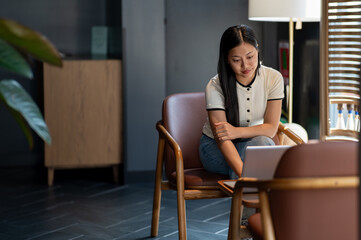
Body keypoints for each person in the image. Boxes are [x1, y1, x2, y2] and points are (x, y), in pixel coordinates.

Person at [199, 25, 284, 179]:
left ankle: (244, 200)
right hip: (215, 148)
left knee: (263, 143)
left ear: (257, 50)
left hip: (251, 142)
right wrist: (243, 174)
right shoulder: (215, 85)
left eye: (250, 57)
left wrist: (237, 132)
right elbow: (222, 138)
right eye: (236, 60)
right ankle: (253, 199)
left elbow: (271, 129)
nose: (245, 66)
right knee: (257, 162)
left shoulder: (273, 78)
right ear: (227, 59)